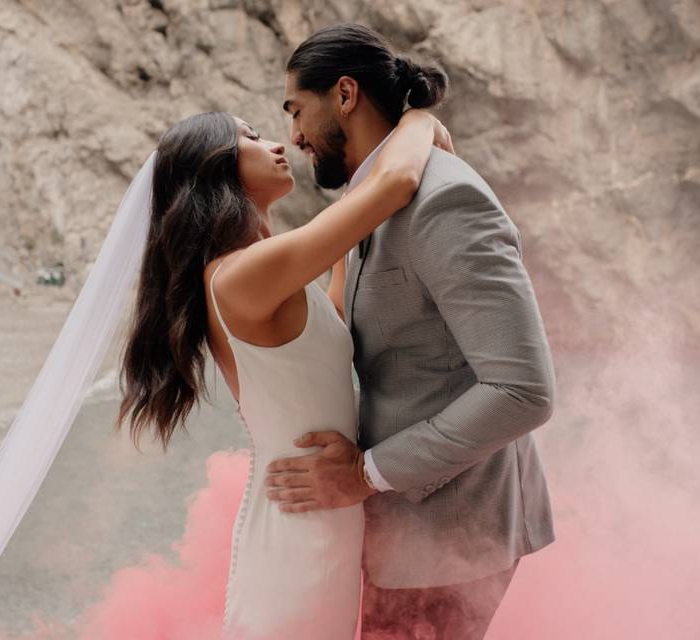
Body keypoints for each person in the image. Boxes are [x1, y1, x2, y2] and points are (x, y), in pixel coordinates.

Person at [112, 107, 452, 639]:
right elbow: (398, 182)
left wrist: (354, 213)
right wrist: (419, 122)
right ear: (215, 167)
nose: (275, 143)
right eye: (248, 137)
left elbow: (336, 324)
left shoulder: (259, 271)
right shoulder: (240, 275)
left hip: (324, 513)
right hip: (299, 533)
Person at [264, 24, 557, 639]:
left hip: (449, 537)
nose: (293, 136)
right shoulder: (370, 198)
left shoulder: (446, 201)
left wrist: (364, 474)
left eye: (296, 109)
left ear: (345, 94)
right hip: (396, 532)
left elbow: (523, 391)